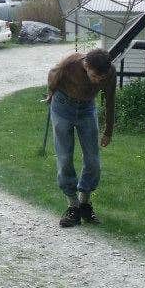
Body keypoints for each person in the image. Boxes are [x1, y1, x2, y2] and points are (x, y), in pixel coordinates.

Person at [45, 49, 116, 228]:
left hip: (86, 110)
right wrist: (50, 94)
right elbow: (53, 75)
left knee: (93, 161)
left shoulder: (109, 72)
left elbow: (109, 100)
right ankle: (72, 207)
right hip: (62, 107)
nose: (98, 80)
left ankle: (84, 203)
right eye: (95, 76)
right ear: (86, 65)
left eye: (102, 77)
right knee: (64, 158)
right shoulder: (70, 64)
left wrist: (108, 130)